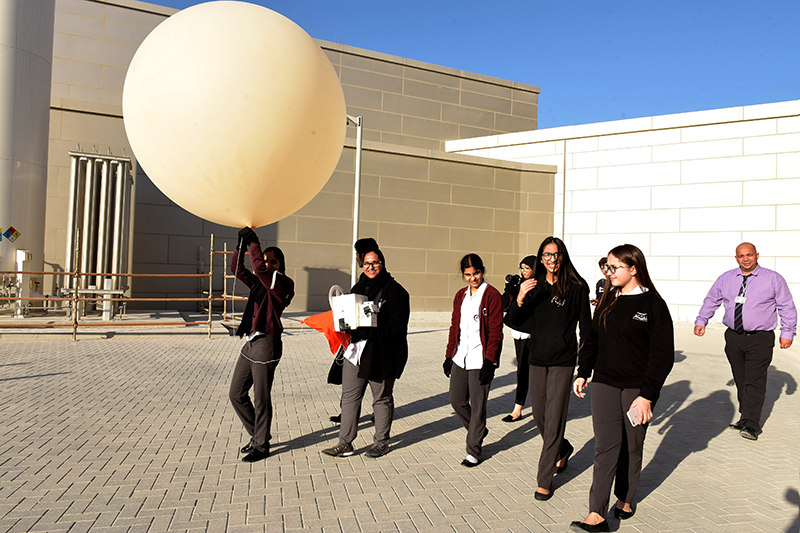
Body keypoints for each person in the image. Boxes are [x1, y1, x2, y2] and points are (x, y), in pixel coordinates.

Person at [571, 244, 674, 532]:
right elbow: (591, 340)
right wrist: (583, 372)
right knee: (605, 448)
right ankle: (596, 513)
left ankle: (626, 498)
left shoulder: (653, 305)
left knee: (632, 447)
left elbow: (662, 356)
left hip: (635, 390)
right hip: (604, 383)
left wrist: (647, 396)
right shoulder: (608, 299)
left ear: (634, 269)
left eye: (615, 267)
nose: (609, 272)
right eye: (607, 266)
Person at [506, 237, 590, 500]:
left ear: (563, 256)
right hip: (537, 358)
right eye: (546, 255)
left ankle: (544, 479)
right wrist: (520, 297)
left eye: (556, 255)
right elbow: (513, 322)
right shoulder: (533, 286)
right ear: (540, 258)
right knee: (540, 416)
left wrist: (584, 368)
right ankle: (562, 449)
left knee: (554, 418)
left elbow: (587, 329)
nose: (551, 260)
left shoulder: (577, 286)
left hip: (563, 360)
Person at [693, 242, 796, 441]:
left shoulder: (773, 279)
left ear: (757, 255)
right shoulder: (726, 278)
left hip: (760, 338)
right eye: (741, 256)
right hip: (734, 337)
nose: (746, 259)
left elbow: (787, 307)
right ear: (736, 258)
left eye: (749, 255)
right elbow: (712, 299)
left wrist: (788, 332)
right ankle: (745, 416)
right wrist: (701, 320)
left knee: (754, 381)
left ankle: (751, 423)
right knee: (741, 379)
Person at [322, 245, 410, 458]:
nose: (371, 267)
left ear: (383, 264)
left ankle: (381, 442)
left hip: (382, 352)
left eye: (376, 263)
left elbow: (398, 326)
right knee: (350, 396)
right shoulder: (358, 287)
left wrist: (373, 330)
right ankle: (345, 442)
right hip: (356, 350)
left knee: (381, 398)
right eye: (367, 263)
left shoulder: (395, 291)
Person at [229, 227, 295, 463]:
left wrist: (254, 242)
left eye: (273, 261)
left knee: (261, 397)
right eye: (266, 260)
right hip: (251, 341)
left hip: (267, 343)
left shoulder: (283, 283)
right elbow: (236, 270)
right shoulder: (260, 283)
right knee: (236, 393)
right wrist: (240, 246)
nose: (267, 264)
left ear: (280, 264)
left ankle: (262, 445)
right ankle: (257, 434)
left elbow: (259, 268)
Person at [444, 254, 504, 467]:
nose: (473, 278)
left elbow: (496, 331)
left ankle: (474, 450)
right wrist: (449, 355)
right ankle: (478, 430)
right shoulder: (460, 295)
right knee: (456, 400)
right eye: (468, 275)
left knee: (478, 406)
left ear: (482, 270)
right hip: (461, 357)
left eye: (476, 273)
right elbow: (455, 327)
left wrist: (490, 362)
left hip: (481, 360)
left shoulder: (492, 295)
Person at [329, 237, 380, 424]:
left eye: (357, 255)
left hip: (369, 339)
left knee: (376, 384)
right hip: (357, 338)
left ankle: (377, 413)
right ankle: (350, 414)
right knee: (354, 382)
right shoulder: (363, 282)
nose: (358, 260)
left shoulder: (373, 283)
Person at [501, 255, 536, 423]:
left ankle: (517, 409)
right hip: (518, 332)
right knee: (523, 370)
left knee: (524, 371)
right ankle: (520, 407)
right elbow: (506, 303)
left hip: (531, 333)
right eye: (521, 268)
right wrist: (509, 288)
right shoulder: (520, 283)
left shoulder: (537, 285)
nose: (523, 271)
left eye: (527, 268)